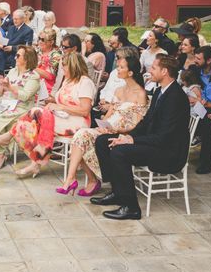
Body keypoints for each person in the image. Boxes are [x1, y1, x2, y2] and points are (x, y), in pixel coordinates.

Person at [91, 54, 190, 220]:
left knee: (119, 152)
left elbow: (164, 137)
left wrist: (132, 140)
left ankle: (131, 207)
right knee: (103, 141)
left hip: (168, 152)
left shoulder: (175, 97)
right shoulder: (161, 91)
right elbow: (146, 122)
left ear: (164, 71)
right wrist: (127, 136)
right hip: (155, 143)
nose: (149, 70)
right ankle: (117, 191)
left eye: (153, 68)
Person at [57, 54, 148, 195]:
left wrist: (114, 129)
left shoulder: (140, 94)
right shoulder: (119, 90)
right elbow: (109, 114)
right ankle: (71, 178)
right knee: (81, 135)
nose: (117, 69)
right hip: (108, 128)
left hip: (124, 133)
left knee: (82, 136)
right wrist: (103, 125)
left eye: (121, 67)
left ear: (130, 73)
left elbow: (137, 123)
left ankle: (75, 179)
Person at [0, 52, 95, 177]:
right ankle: (34, 162)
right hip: (62, 117)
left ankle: (10, 137)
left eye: (64, 66)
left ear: (73, 66)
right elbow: (63, 100)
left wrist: (60, 107)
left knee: (36, 113)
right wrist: (52, 101)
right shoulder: (68, 80)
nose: (62, 70)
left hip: (77, 122)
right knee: (35, 116)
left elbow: (84, 110)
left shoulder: (85, 82)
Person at [0, 45, 41, 170]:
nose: (15, 57)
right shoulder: (13, 71)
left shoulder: (33, 76)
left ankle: (0, 153)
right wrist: (1, 84)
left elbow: (24, 96)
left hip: (22, 107)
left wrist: (9, 87)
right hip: (8, 104)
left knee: (3, 119)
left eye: (18, 55)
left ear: (27, 59)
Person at [0, 9, 33, 77]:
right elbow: (6, 40)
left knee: (10, 58)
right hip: (6, 50)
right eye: (13, 19)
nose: (14, 21)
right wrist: (1, 44)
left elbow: (27, 46)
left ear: (22, 19)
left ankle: (8, 78)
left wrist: (12, 48)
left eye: (16, 19)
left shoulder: (28, 30)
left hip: (17, 52)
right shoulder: (11, 28)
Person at [35, 29, 62, 94]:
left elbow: (50, 76)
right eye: (39, 38)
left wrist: (32, 68)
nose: (40, 41)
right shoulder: (37, 51)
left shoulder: (56, 55)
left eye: (43, 40)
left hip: (46, 88)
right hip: (32, 84)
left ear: (51, 42)